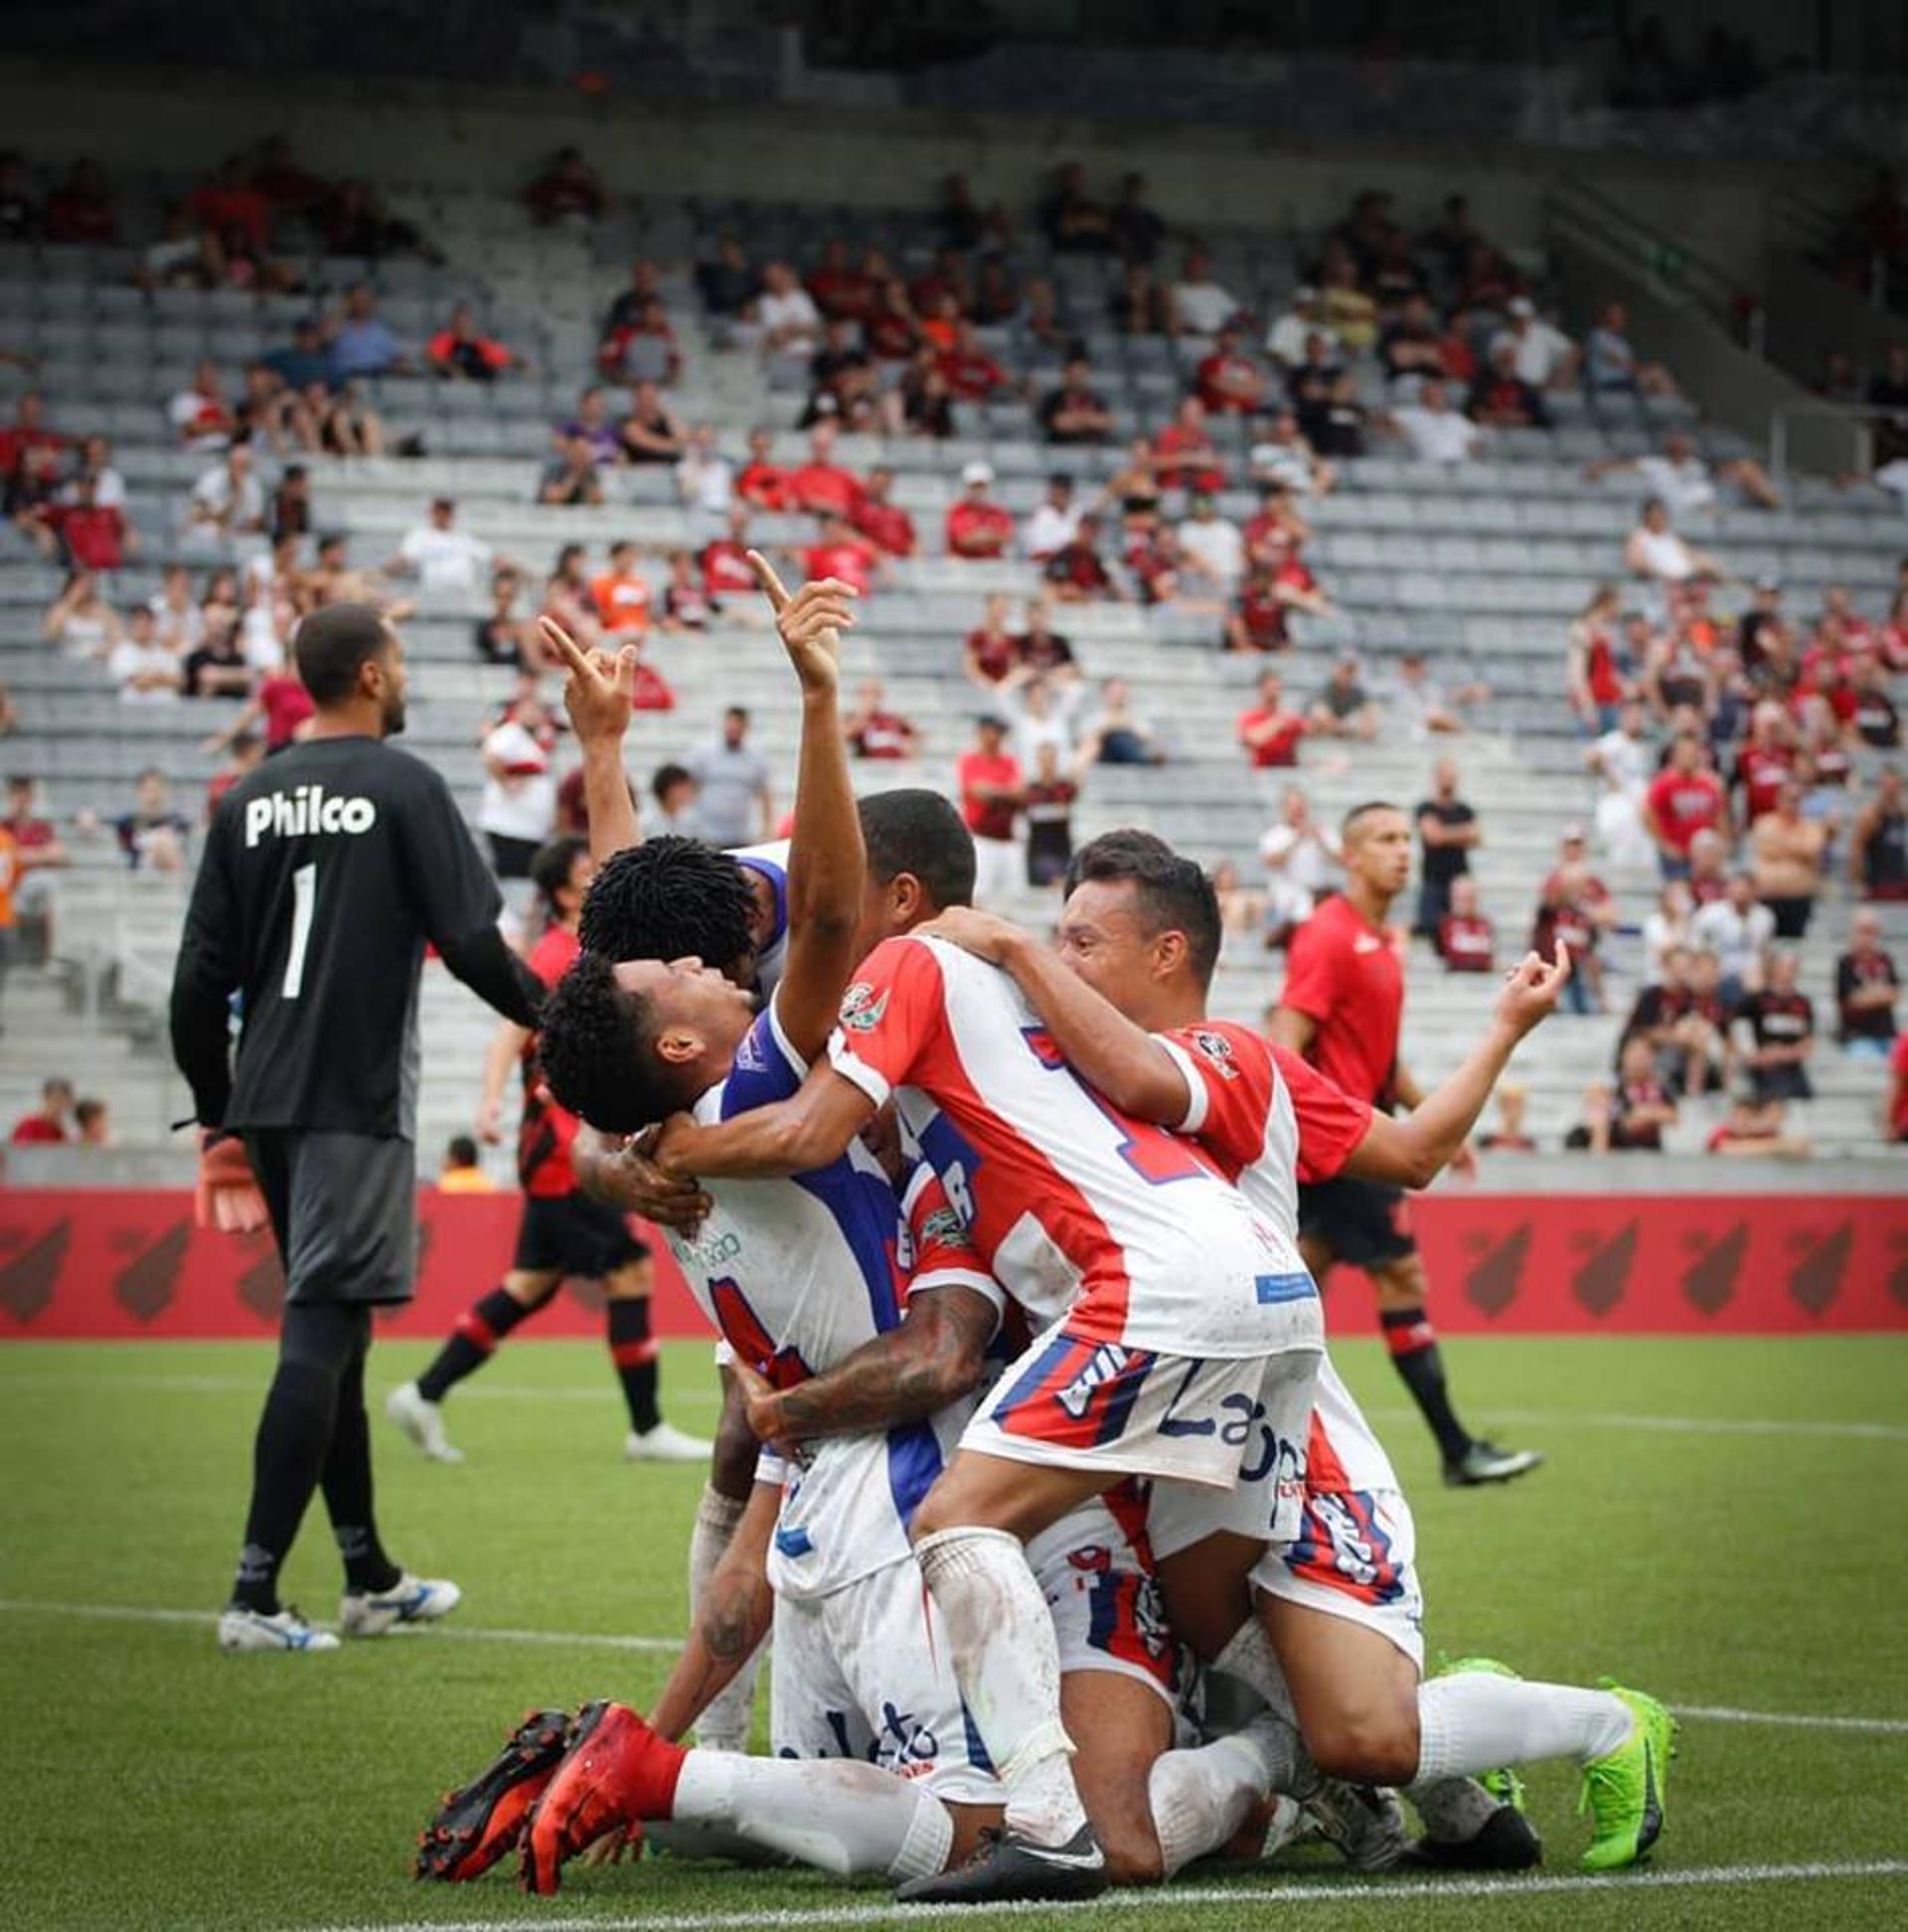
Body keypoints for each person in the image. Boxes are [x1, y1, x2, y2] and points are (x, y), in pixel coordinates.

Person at [169, 601, 548, 1655]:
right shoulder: (406, 785)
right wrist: (557, 1025)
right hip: (353, 1099)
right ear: (374, 675)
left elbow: (197, 983)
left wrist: (218, 1115)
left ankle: (367, 1573)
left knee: (330, 1329)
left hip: (273, 1103)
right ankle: (253, 1596)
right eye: (404, 661)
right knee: (325, 1330)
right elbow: (473, 942)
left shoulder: (245, 797)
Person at [389, 836, 709, 1467]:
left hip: (556, 1150)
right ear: (565, 892)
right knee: (628, 1270)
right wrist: (490, 1101)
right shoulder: (561, 956)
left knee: (529, 1284)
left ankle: (424, 1393)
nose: (596, 881)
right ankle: (646, 1427)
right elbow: (511, 1033)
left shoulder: (578, 953)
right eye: (588, 874)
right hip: (565, 1151)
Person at [1270, 803, 1540, 1487]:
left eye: (1404, 839)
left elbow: (1381, 1057)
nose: (1403, 851)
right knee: (1399, 1277)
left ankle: (1254, 1449)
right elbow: (1282, 1047)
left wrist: (1434, 1122)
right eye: (1386, 840)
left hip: (1355, 1140)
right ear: (1351, 856)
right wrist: (1317, 1131)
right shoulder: (1328, 936)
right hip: (1345, 1149)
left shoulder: (1382, 940)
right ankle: (1454, 1449)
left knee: (1294, 1295)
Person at [957, 715, 1023, 906]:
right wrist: (1005, 793)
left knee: (1014, 899)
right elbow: (977, 791)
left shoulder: (1008, 761)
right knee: (979, 895)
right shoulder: (970, 760)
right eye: (995, 731)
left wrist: (994, 792)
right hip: (981, 836)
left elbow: (1020, 793)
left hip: (1007, 836)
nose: (998, 737)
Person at [685, 708, 772, 847]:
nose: (732, 730)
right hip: (708, 834)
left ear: (745, 728)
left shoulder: (756, 758)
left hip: (740, 835)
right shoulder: (704, 753)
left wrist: (766, 828)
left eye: (737, 726)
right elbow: (688, 786)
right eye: (730, 725)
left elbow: (765, 795)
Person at [1735, 951, 1815, 1104]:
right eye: (1784, 967)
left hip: (1792, 1066)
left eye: (1792, 968)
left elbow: (1808, 1043)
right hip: (1763, 1066)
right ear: (1774, 969)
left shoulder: (1803, 1003)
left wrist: (1782, 1053)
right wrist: (1755, 1056)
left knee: (1804, 1098)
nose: (1788, 972)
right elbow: (1739, 1029)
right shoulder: (1755, 1001)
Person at [1413, 758, 1480, 940]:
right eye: (1445, 776)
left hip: (1459, 879)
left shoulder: (1465, 809)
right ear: (1436, 778)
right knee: (1430, 926)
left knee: (1459, 929)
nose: (1448, 780)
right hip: (1434, 878)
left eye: (1452, 776)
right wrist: (1462, 833)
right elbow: (1433, 837)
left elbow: (1477, 837)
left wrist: (1444, 833)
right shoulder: (1425, 807)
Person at [1835, 910, 1900, 1056]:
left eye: (1872, 931)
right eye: (1863, 931)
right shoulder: (1846, 962)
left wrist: (1868, 994)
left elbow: (1895, 994)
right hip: (1857, 1036)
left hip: (1887, 1034)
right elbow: (1854, 999)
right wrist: (1880, 993)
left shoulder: (1885, 959)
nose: (1868, 937)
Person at [1850, 766, 1906, 899]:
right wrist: (1858, 882)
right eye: (1887, 785)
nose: (1891, 789)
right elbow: (1857, 848)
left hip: (1902, 880)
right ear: (1880, 787)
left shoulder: (1902, 813)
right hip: (1879, 882)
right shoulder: (1871, 815)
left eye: (1895, 785)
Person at [10, 1075, 74, 1143]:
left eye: (65, 1104)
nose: (60, 1107)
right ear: (45, 1098)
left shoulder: (60, 1133)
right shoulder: (29, 1126)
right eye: (57, 1100)